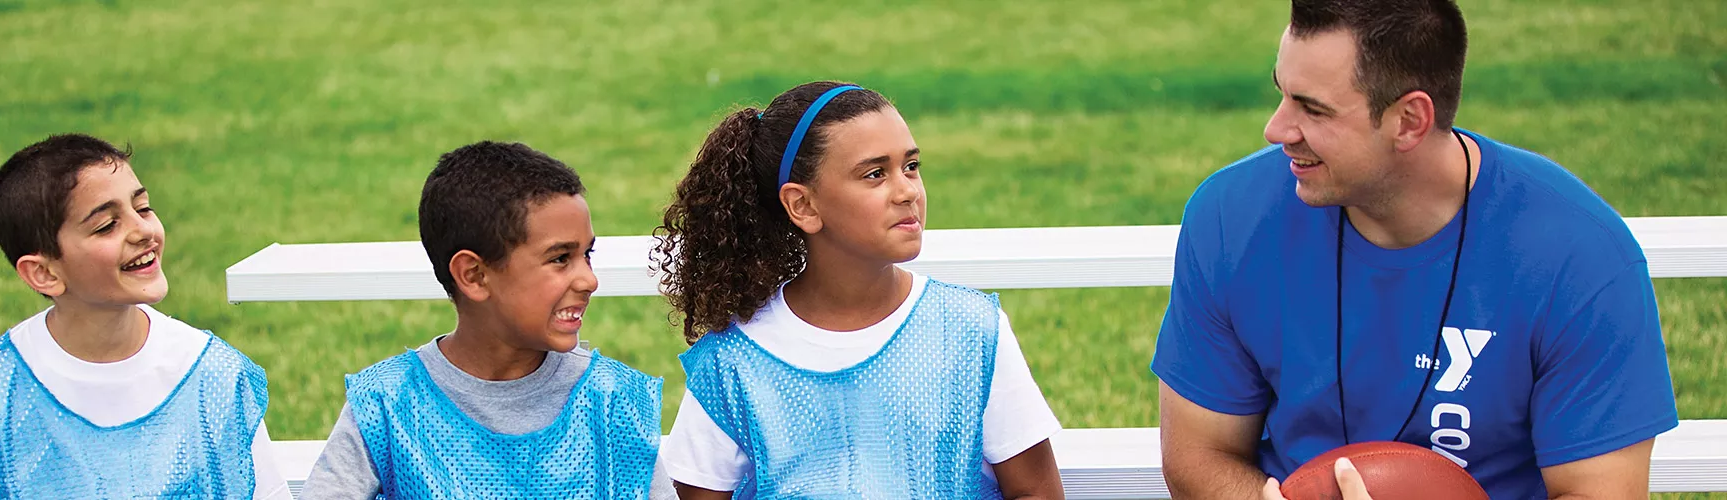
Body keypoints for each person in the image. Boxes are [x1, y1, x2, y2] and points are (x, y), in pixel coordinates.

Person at [1150, 1, 1679, 498]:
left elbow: (1599, 489)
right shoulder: (1230, 217)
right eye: (1282, 93)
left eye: (1313, 109)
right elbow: (1199, 454)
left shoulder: (1579, 256)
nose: (1276, 129)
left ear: (1409, 120)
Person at [653, 81, 1065, 499]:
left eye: (911, 166)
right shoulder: (733, 360)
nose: (907, 192)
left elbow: (1036, 491)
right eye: (874, 174)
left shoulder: (971, 331)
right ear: (803, 206)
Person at [0, 134, 287, 498]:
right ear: (45, 273)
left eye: (143, 208)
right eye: (106, 225)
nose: (142, 231)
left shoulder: (213, 377)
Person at [298, 141, 671, 499]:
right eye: (560, 258)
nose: (589, 280)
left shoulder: (614, 401)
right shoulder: (386, 404)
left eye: (587, 255)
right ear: (474, 275)